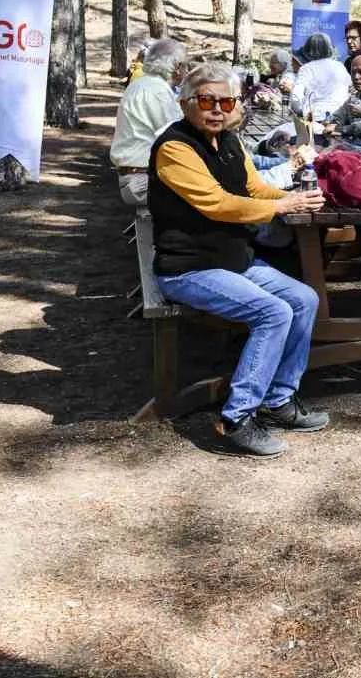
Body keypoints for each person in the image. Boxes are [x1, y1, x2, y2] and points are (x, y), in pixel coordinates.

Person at [148, 63, 330, 458]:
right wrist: (282, 207)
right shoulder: (175, 148)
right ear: (185, 103)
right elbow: (216, 203)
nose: (216, 109)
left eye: (225, 101)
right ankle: (236, 418)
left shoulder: (229, 142)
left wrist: (295, 197)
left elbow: (252, 188)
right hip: (189, 268)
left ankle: (279, 400)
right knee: (274, 313)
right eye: (206, 100)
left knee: (304, 299)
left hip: (233, 260)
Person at [110, 39, 188, 205]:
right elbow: (177, 137)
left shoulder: (142, 84)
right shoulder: (157, 90)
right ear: (176, 67)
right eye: (185, 65)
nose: (187, 71)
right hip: (142, 181)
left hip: (136, 176)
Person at [290, 34, 351, 121]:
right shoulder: (340, 66)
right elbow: (350, 88)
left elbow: (296, 96)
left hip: (315, 117)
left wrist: (300, 111)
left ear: (308, 49)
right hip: (340, 117)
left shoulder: (307, 68)